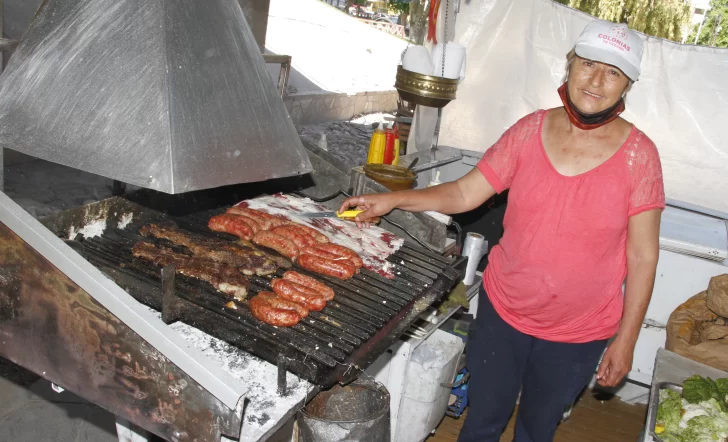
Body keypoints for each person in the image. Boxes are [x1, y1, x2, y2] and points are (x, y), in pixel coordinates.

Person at [339, 19, 664, 442]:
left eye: (613, 72)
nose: (596, 80)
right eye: (587, 64)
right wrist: (393, 199)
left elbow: (643, 256)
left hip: (578, 332)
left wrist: (626, 340)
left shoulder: (641, 156)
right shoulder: (529, 131)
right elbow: (464, 193)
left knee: (536, 429)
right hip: (503, 312)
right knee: (481, 424)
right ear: (569, 66)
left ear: (627, 85)